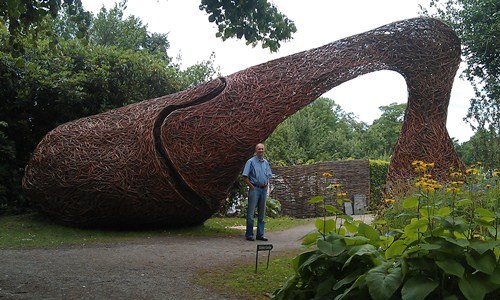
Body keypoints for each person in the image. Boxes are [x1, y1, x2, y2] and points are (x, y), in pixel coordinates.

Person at [242, 143, 273, 241]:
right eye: (259, 149)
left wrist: (266, 186)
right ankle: (249, 234)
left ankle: (260, 235)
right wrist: (252, 187)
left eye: (262, 149)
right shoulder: (250, 162)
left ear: (264, 151)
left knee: (262, 214)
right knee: (251, 213)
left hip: (263, 190)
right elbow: (244, 176)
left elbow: (268, 175)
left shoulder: (266, 163)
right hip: (254, 189)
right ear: (256, 151)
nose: (260, 151)